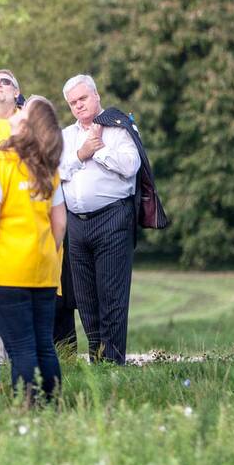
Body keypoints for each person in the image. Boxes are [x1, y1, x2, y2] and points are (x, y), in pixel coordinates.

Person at [0, 97, 66, 403]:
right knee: (43, 343)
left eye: (23, 112)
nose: (16, 113)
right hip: (44, 267)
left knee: (22, 346)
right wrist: (47, 253)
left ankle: (27, 406)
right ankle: (50, 403)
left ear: (26, 126)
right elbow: (60, 223)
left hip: (8, 267)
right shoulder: (49, 167)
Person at [59, 74, 140, 365]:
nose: (79, 105)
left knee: (111, 296)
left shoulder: (118, 128)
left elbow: (131, 166)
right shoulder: (67, 136)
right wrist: (82, 153)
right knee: (85, 298)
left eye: (82, 98)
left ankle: (113, 362)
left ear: (96, 96)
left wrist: (100, 149)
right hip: (76, 224)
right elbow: (56, 172)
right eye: (73, 103)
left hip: (112, 219)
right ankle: (97, 359)